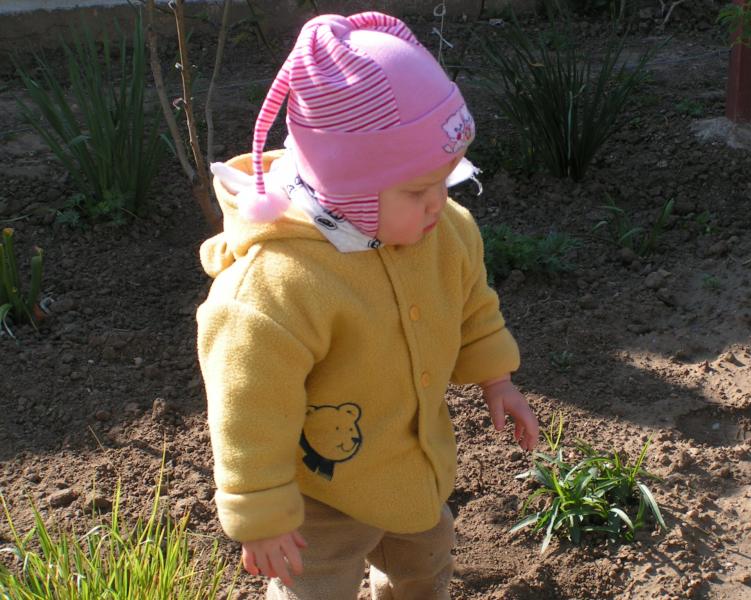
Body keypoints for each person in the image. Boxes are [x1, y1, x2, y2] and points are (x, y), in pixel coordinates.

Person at [196, 11, 539, 600]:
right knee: (316, 588)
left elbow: (472, 305)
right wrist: (260, 509)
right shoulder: (276, 287)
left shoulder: (446, 232)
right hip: (319, 496)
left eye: (445, 180)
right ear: (347, 186)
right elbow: (248, 403)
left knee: (424, 566)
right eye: (417, 190)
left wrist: (497, 379)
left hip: (413, 470)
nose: (438, 204)